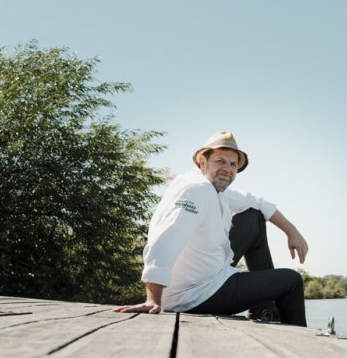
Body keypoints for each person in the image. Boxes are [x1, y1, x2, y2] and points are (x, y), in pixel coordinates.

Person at [114, 131, 308, 326]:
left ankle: (264, 310)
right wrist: (153, 299)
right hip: (196, 295)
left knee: (253, 218)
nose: (227, 169)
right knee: (292, 281)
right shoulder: (197, 191)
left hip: (210, 275)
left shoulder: (214, 188)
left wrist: (292, 232)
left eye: (233, 164)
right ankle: (300, 338)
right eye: (220, 161)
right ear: (202, 162)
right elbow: (166, 238)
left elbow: (257, 202)